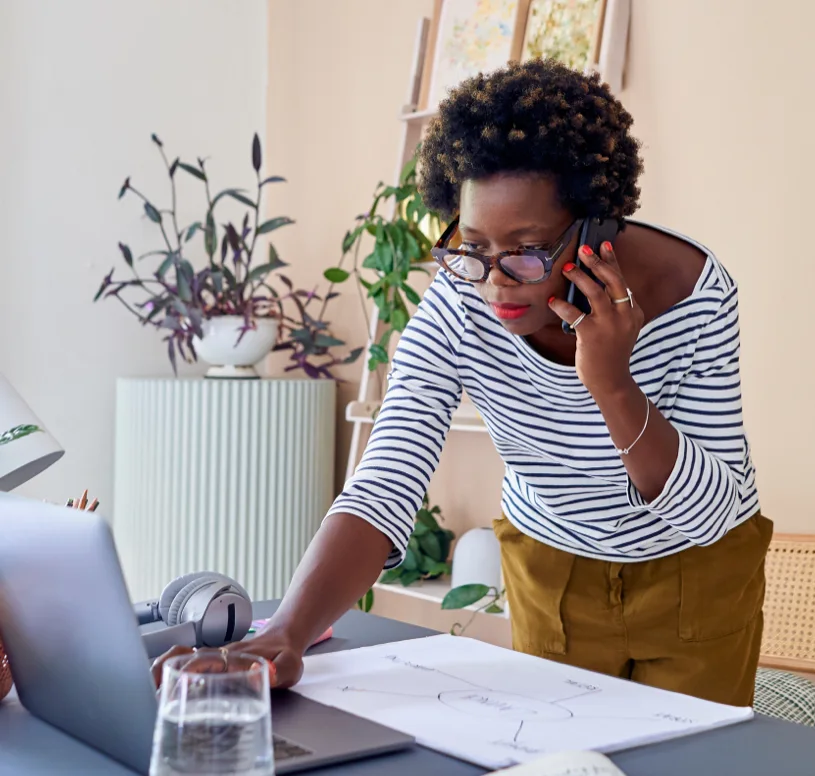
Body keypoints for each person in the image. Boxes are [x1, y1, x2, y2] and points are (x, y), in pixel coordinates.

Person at [154, 59, 770, 706]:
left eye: (527, 249)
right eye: (472, 245)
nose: (495, 280)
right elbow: (386, 479)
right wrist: (285, 632)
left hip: (696, 574)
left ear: (595, 229)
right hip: (551, 565)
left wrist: (613, 385)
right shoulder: (460, 298)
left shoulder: (694, 295)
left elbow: (709, 517)